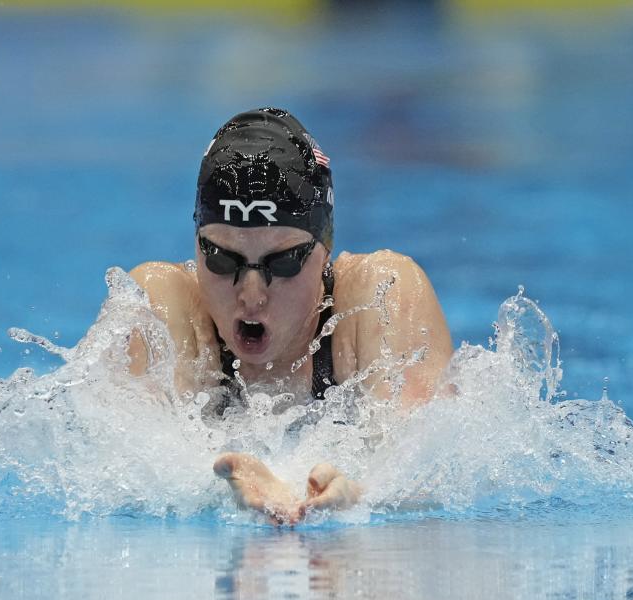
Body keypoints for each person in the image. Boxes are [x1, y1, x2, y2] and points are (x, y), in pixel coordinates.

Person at [128, 107, 453, 524]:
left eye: (281, 262)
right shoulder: (161, 306)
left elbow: (434, 469)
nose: (251, 293)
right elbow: (119, 472)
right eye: (223, 259)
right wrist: (220, 490)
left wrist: (360, 494)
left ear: (325, 248)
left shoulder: (379, 297)